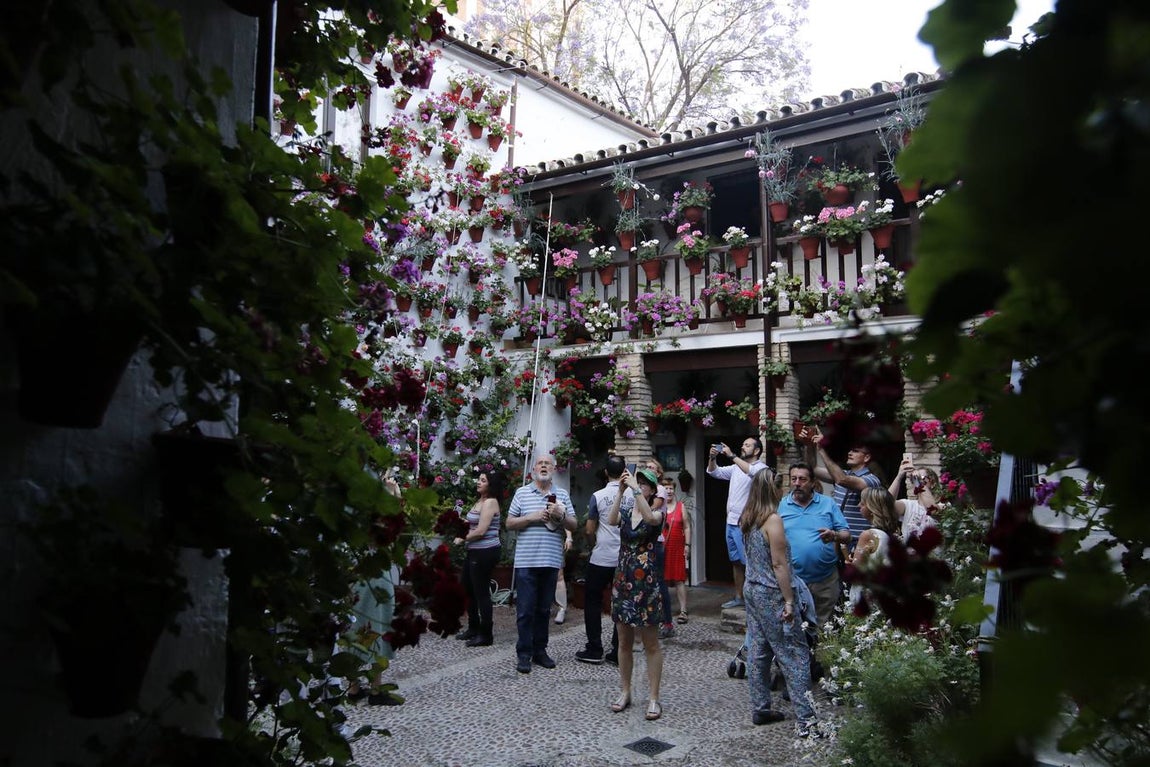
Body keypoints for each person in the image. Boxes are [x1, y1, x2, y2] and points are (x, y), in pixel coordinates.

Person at [740, 470, 821, 737]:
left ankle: (761, 707)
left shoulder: (748, 517)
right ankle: (806, 721)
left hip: (752, 589)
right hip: (771, 592)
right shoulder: (772, 520)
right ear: (773, 491)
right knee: (794, 654)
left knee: (759, 649)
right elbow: (778, 564)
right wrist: (789, 600)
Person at [505, 455, 576, 674]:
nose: (544, 466)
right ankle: (524, 654)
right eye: (540, 463)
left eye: (548, 464)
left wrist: (560, 515)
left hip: (551, 560)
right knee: (525, 610)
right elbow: (509, 523)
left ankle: (540, 651)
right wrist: (533, 517)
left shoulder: (561, 494)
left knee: (544, 609)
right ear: (533, 469)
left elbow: (574, 523)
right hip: (527, 560)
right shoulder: (522, 493)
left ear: (554, 469)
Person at [607, 467, 666, 721]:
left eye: (644, 483)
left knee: (651, 643)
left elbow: (651, 521)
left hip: (647, 584)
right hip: (623, 580)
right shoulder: (626, 510)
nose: (638, 485)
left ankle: (653, 697)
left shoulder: (656, 513)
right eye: (637, 481)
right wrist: (620, 493)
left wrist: (634, 490)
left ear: (652, 490)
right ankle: (625, 691)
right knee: (624, 641)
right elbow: (610, 521)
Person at [346, 474, 402, 703]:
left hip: (359, 571)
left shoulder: (354, 509)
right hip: (376, 574)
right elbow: (394, 527)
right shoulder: (375, 513)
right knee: (376, 625)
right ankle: (376, 690)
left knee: (360, 626)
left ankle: (353, 687)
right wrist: (394, 492)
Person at [778, 462, 851, 632]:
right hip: (794, 580)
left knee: (823, 628)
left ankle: (818, 658)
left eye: (802, 479)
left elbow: (847, 536)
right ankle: (801, 658)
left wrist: (834, 535)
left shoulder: (828, 504)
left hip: (824, 579)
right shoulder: (781, 506)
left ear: (812, 482)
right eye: (793, 478)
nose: (797, 483)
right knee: (795, 627)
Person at [707, 437, 770, 609]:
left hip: (747, 525)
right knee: (735, 561)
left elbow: (751, 472)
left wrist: (732, 455)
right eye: (743, 444)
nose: (743, 446)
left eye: (747, 445)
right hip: (731, 522)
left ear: (757, 451)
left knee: (749, 562)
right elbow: (714, 473)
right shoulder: (736, 467)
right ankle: (738, 597)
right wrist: (712, 458)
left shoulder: (760, 468)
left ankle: (753, 600)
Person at [576, 455, 625, 665]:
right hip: (624, 556)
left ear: (606, 472)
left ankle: (594, 647)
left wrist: (592, 543)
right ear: (625, 472)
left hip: (602, 555)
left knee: (593, 601)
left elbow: (589, 528)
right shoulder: (633, 494)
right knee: (620, 602)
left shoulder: (598, 495)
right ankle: (618, 650)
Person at [802, 426, 883, 545]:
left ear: (867, 457)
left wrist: (822, 449)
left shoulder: (871, 480)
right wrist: (809, 445)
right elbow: (813, 469)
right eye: (850, 450)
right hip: (837, 539)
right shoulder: (842, 474)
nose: (850, 453)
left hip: (859, 542)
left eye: (855, 451)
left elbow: (842, 480)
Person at [453, 470, 506, 647]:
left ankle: (486, 634)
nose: (478, 482)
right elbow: (473, 524)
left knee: (481, 592)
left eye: (483, 480)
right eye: (479, 479)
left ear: (490, 484)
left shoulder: (490, 502)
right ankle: (473, 627)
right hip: (474, 551)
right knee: (468, 588)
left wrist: (462, 538)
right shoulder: (480, 501)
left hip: (485, 551)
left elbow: (482, 530)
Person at [645, 457, 675, 638]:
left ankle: (668, 622)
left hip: (655, 541)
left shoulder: (660, 489)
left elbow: (649, 510)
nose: (648, 469)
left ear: (658, 473)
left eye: (652, 468)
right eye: (646, 467)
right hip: (643, 541)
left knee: (659, 582)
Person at [887, 454, 942, 542]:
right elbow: (885, 504)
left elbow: (932, 510)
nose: (917, 482)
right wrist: (899, 476)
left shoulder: (943, 505)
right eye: (914, 480)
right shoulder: (908, 505)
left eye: (922, 478)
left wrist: (918, 481)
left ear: (933, 483)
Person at [661, 475, 692, 624]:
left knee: (679, 579)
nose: (668, 491)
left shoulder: (681, 506)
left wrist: (688, 545)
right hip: (661, 550)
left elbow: (686, 526)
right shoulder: (658, 506)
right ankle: (663, 610)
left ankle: (683, 611)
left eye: (671, 488)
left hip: (677, 548)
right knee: (663, 580)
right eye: (666, 488)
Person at [554, 530, 572, 624]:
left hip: (555, 542)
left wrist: (569, 537)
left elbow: (566, 516)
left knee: (559, 576)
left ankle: (562, 609)